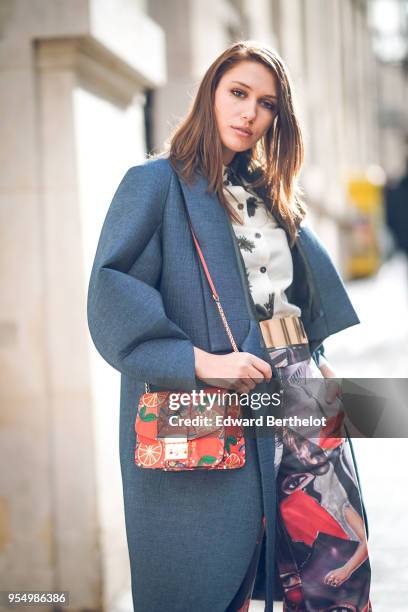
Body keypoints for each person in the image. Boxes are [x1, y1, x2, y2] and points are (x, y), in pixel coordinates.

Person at [87, 41, 371, 612]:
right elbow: (110, 292)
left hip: (300, 392)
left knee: (332, 568)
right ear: (210, 94)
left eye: (265, 104)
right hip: (217, 397)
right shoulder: (157, 184)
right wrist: (200, 362)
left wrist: (315, 363)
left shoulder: (271, 193)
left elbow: (288, 294)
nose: (249, 113)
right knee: (216, 574)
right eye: (237, 93)